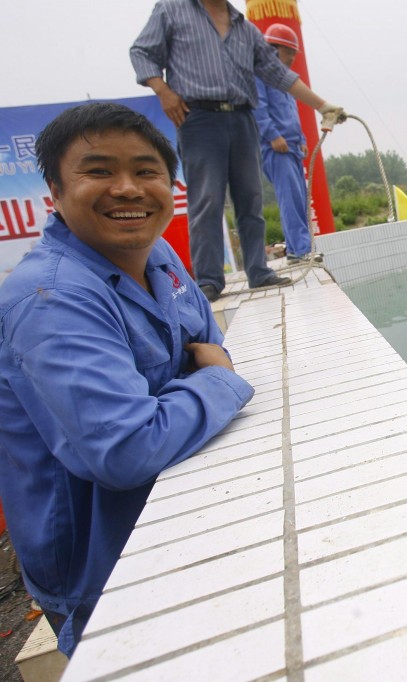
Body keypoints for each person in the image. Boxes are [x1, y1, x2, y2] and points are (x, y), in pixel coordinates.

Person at [0, 102, 255, 656]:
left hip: (162, 511)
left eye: (146, 172)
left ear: (170, 183)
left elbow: (208, 342)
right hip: (99, 557)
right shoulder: (51, 298)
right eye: (97, 171)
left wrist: (200, 378)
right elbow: (127, 446)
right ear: (55, 190)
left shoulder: (156, 253)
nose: (127, 189)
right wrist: (221, 384)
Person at [130, 0, 345, 302]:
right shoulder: (172, 10)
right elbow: (142, 52)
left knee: (250, 199)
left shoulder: (245, 28)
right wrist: (163, 91)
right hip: (199, 116)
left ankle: (258, 270)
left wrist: (323, 105)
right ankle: (209, 279)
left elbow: (278, 73)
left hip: (242, 116)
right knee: (207, 200)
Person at [254, 24, 314, 263]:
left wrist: (301, 140)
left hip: (291, 147)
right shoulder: (259, 74)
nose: (291, 58)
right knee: (289, 197)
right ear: (274, 48)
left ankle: (298, 247)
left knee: (298, 198)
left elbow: (290, 112)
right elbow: (258, 108)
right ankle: (300, 251)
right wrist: (272, 135)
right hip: (275, 148)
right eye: (289, 52)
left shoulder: (282, 79)